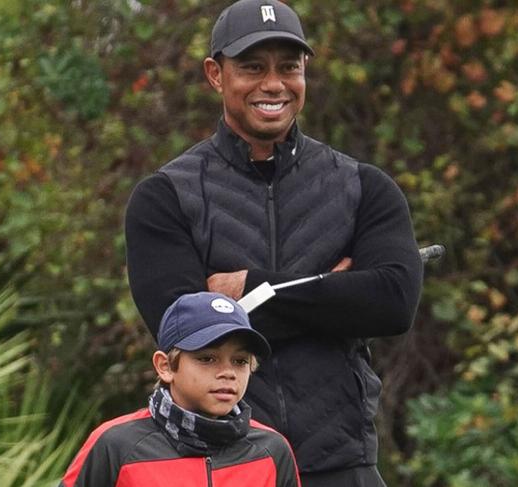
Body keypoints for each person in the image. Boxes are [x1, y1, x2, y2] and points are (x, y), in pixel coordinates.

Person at [124, 0, 424, 485]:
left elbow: (391, 303)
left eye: (289, 67)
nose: (273, 84)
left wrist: (256, 288)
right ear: (215, 74)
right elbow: (186, 332)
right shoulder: (164, 197)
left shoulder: (365, 186)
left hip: (343, 466)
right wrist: (333, 290)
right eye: (252, 67)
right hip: (221, 467)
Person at [58, 291, 301, 487]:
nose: (228, 373)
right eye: (207, 358)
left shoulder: (272, 450)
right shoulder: (116, 445)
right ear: (165, 366)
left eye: (240, 361)